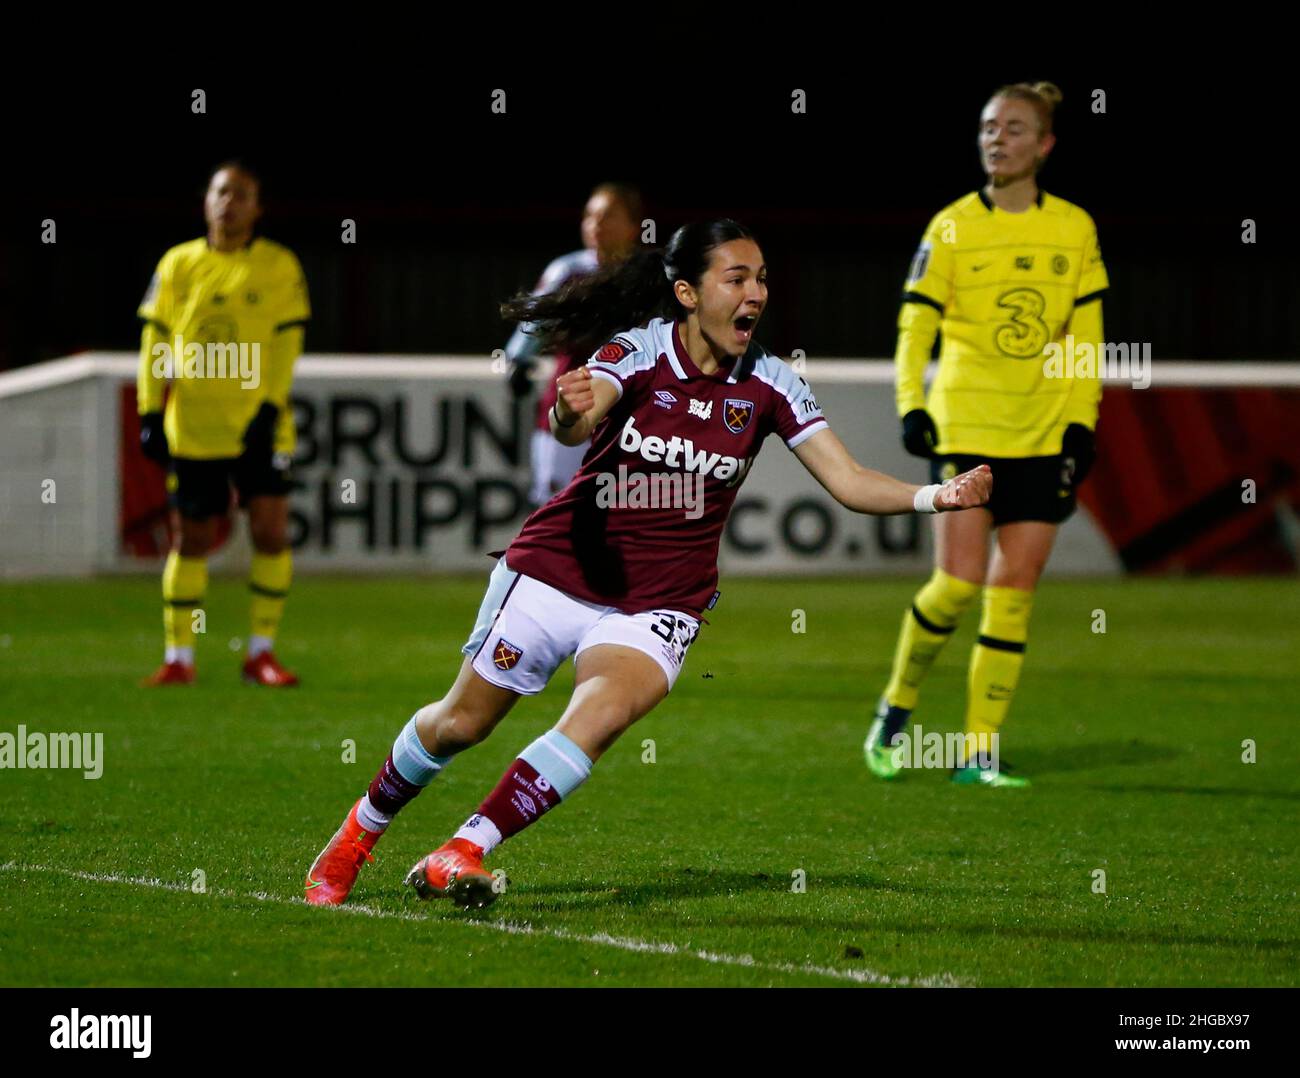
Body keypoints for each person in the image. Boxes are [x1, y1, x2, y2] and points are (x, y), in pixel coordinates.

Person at [305, 219, 991, 910]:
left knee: (598, 717)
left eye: (761, 279)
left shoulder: (773, 382)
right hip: (563, 569)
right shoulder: (637, 352)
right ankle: (355, 836)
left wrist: (936, 495)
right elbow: (578, 418)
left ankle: (464, 848)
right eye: (737, 278)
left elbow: (847, 481)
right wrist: (570, 416)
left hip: (663, 599)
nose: (755, 293)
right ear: (689, 293)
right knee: (462, 723)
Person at [864, 82, 1108, 787]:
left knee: (1014, 591)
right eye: (988, 127)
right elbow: (917, 326)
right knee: (957, 585)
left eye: (1014, 128)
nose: (997, 138)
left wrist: (1080, 424)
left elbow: (1083, 338)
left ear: (1045, 144)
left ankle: (977, 754)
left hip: (1042, 434)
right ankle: (896, 707)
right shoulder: (949, 226)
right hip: (966, 428)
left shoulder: (1074, 228)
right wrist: (913, 404)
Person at [137, 161, 310, 687]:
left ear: (257, 208)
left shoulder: (279, 265)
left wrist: (268, 407)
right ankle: (179, 658)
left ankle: (260, 653)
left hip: (260, 427)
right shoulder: (178, 263)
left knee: (271, 531)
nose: (228, 202)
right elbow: (155, 341)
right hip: (193, 425)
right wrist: (149, 408)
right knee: (190, 539)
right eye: (220, 192)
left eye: (240, 195)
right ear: (206, 200)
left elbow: (287, 342)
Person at [505, 183, 642, 506]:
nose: (596, 224)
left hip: (629, 417)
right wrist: (519, 361)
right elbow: (534, 323)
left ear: (634, 226)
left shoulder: (646, 277)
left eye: (607, 216)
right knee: (556, 509)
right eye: (590, 216)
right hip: (568, 409)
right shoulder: (568, 271)